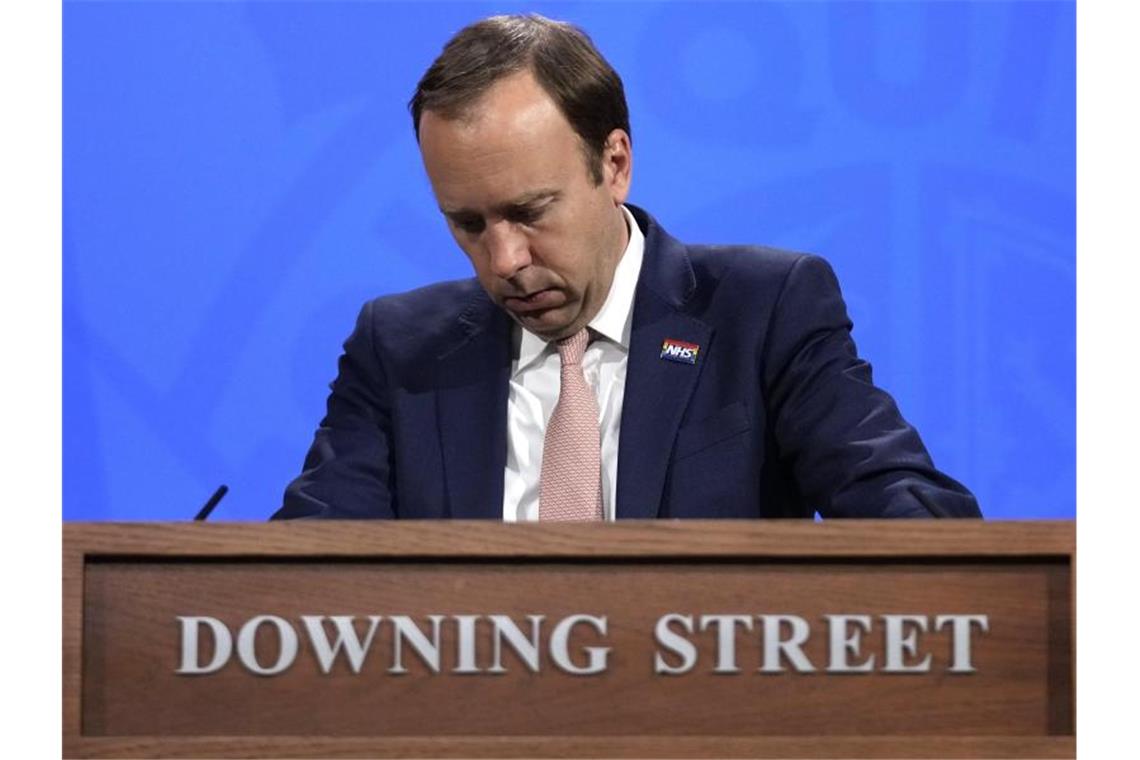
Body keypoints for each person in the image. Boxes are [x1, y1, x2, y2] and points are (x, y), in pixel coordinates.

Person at [273, 14, 980, 521]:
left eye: (530, 211)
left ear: (614, 165)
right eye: (468, 223)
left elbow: (907, 518)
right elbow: (303, 578)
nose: (505, 260)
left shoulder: (762, 313)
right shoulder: (399, 348)